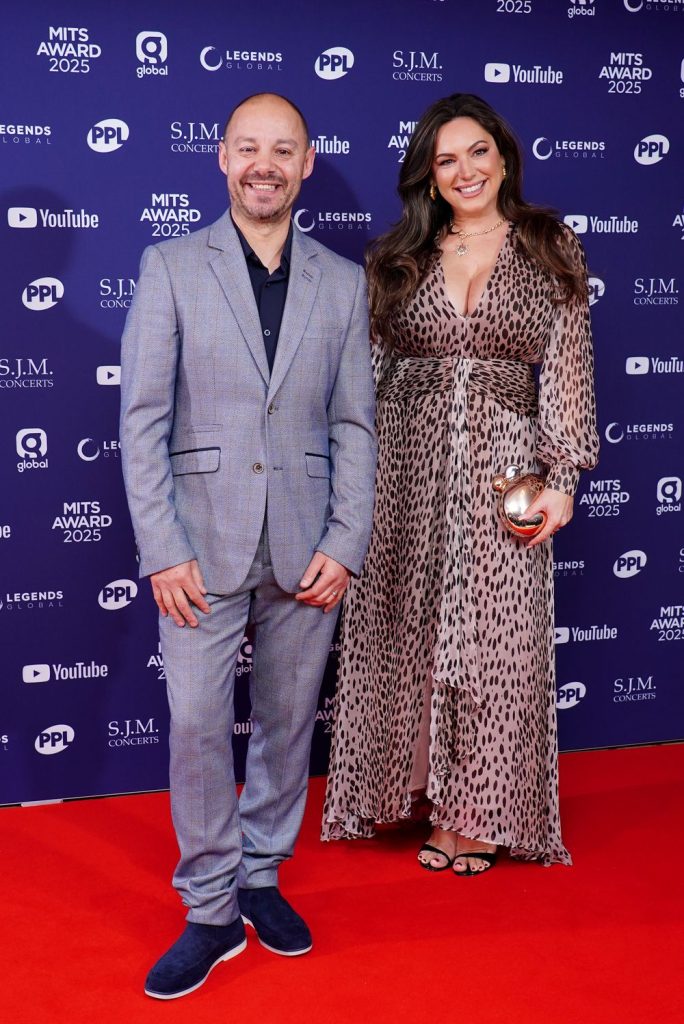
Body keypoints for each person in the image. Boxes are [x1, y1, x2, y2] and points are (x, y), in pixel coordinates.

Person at [120, 92, 376, 999]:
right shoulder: (171, 267)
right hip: (200, 546)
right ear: (222, 158)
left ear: (308, 163)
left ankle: (262, 874)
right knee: (195, 727)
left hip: (309, 547)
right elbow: (143, 420)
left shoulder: (343, 282)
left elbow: (355, 424)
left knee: (286, 723)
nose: (264, 163)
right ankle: (210, 908)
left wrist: (347, 540)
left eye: (283, 149)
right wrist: (162, 549)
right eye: (247, 147)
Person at [322, 93, 599, 875]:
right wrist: (353, 489)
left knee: (494, 641)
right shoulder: (396, 258)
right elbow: (365, 382)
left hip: (506, 469)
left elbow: (569, 365)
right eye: (447, 159)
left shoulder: (549, 244)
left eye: (478, 152)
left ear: (503, 157)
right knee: (402, 628)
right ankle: (407, 797)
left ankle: (478, 813)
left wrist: (563, 477)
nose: (465, 170)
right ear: (429, 176)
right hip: (403, 469)